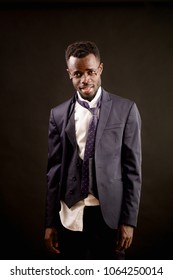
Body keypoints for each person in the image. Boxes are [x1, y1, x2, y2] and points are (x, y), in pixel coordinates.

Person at [44, 41, 142, 260]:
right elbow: (53, 173)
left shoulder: (126, 110)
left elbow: (133, 171)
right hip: (70, 214)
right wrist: (50, 223)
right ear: (69, 74)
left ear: (100, 69)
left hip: (110, 216)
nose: (85, 79)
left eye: (90, 72)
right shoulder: (58, 114)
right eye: (77, 74)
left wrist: (129, 221)